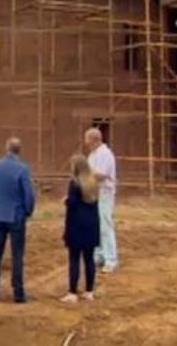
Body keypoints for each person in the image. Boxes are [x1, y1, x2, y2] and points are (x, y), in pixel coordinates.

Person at [0, 137, 36, 303]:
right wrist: (28, 211)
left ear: (6, 148)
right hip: (16, 216)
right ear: (20, 150)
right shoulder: (22, 169)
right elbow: (29, 195)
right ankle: (18, 293)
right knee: (17, 254)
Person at [60, 154, 100, 303]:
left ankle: (72, 292)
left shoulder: (74, 184)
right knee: (89, 259)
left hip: (76, 225)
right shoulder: (93, 183)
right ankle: (89, 291)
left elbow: (73, 203)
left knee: (74, 259)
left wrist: (66, 200)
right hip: (92, 225)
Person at [85, 127, 118, 272]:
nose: (85, 142)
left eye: (87, 139)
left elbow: (101, 175)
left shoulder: (105, 154)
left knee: (105, 225)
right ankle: (99, 255)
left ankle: (111, 258)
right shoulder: (92, 154)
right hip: (93, 193)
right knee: (94, 226)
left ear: (93, 139)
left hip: (104, 193)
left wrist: (84, 174)